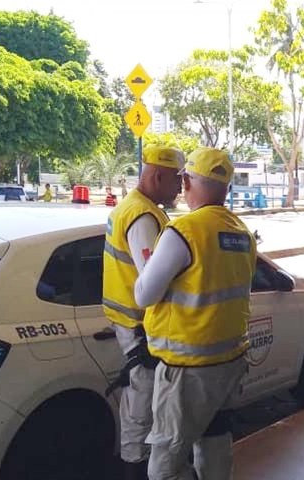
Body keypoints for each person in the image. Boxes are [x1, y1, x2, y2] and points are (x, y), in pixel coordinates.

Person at [135, 147, 256, 480]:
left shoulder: (184, 231)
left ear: (187, 181)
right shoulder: (242, 233)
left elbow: (145, 294)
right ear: (227, 188)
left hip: (187, 371)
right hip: (229, 362)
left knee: (166, 460)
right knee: (215, 447)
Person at [102, 146, 184, 480]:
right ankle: (134, 470)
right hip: (139, 326)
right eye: (177, 180)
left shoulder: (136, 208)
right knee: (141, 409)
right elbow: (154, 278)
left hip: (133, 323)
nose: (180, 188)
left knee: (140, 404)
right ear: (158, 176)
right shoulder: (142, 217)